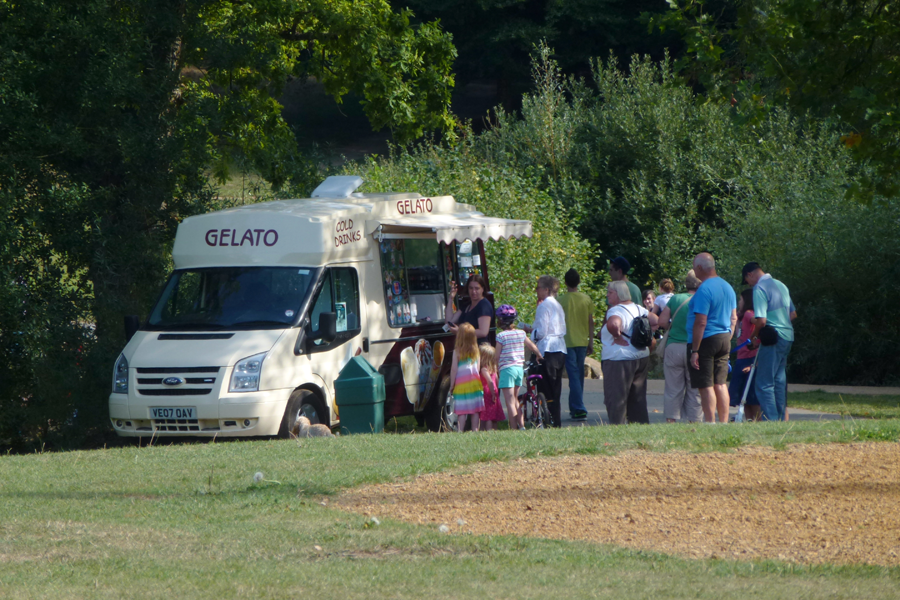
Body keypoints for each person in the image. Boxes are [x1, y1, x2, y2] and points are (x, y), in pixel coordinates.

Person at [742, 262, 797, 422]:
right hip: (787, 336)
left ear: (750, 275)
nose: (749, 285)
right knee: (779, 380)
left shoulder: (760, 288)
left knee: (764, 382)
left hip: (773, 337)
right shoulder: (781, 285)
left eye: (747, 281)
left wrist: (753, 337)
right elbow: (793, 314)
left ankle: (770, 420)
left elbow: (761, 320)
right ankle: (780, 419)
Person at [687, 253, 738, 423]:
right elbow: (734, 317)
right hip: (724, 337)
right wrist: (728, 335)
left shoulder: (704, 289)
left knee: (706, 384)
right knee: (721, 383)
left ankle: (710, 422)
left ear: (700, 268)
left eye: (695, 267)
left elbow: (701, 322)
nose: (694, 270)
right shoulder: (727, 286)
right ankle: (723, 422)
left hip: (706, 339)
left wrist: (695, 350)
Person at [600, 280, 658, 424]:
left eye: (610, 292)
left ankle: (617, 427)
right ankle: (639, 427)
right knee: (637, 398)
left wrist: (617, 337)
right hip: (641, 356)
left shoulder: (615, 310)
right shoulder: (639, 308)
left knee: (616, 398)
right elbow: (656, 320)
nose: (607, 295)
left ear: (618, 294)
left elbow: (614, 324)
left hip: (619, 359)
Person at [657, 270, 702, 423]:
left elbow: (662, 322)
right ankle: (694, 421)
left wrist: (673, 324)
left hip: (674, 346)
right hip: (695, 347)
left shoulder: (676, 299)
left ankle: (671, 420)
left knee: (673, 388)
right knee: (694, 388)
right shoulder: (702, 299)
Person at [525, 275, 567, 427]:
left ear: (546, 289)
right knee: (556, 389)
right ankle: (556, 421)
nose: (536, 290)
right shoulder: (557, 305)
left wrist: (531, 335)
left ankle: (547, 420)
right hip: (560, 348)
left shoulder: (543, 306)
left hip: (547, 349)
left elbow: (541, 331)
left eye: (538, 287)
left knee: (545, 387)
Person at [495, 304, 542, 430]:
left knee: (509, 402)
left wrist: (494, 368)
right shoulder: (521, 333)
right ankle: (521, 426)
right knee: (515, 399)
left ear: (500, 321)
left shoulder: (501, 336)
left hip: (507, 369)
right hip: (518, 369)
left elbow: (497, 356)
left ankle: (513, 428)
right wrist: (538, 355)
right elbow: (531, 346)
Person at [558, 268, 594, 422]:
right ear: (579, 282)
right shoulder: (586, 299)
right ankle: (575, 407)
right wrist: (591, 341)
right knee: (578, 376)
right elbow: (590, 322)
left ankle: (578, 408)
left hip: (567, 342)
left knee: (574, 376)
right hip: (582, 341)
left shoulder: (560, 300)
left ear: (565, 283)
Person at [728, 288, 760, 420]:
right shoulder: (741, 316)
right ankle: (748, 419)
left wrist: (755, 340)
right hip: (741, 357)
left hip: (749, 357)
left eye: (740, 299)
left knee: (751, 394)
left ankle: (758, 420)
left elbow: (759, 322)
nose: (739, 302)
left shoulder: (748, 314)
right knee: (743, 395)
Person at [449, 322, 484, 432]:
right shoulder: (476, 351)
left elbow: (454, 369)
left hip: (461, 384)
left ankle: (460, 430)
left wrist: (452, 384)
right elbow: (477, 369)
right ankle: (475, 429)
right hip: (474, 384)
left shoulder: (457, 351)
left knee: (461, 411)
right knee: (475, 410)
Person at [477, 344, 504, 431]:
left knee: (487, 415)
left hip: (487, 391)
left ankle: (487, 431)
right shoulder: (494, 368)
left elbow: (490, 381)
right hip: (494, 390)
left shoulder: (484, 369)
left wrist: (492, 393)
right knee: (493, 415)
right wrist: (496, 392)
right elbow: (496, 380)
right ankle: (494, 430)